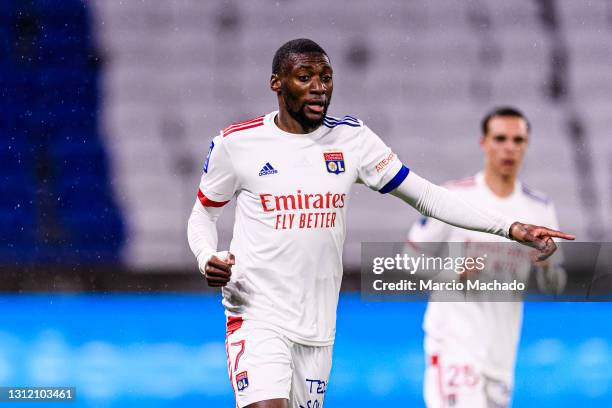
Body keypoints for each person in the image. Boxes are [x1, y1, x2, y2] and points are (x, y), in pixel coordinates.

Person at [187, 39, 574, 408]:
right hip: (255, 312)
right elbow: (203, 213)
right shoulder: (237, 145)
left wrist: (510, 228)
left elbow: (425, 194)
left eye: (326, 77)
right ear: (276, 83)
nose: (319, 87)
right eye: (305, 77)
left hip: (317, 326)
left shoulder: (352, 140)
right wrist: (207, 256)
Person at [406, 107, 566, 408]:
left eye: (517, 140)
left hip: (502, 348)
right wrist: (450, 272)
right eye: (500, 138)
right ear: (484, 143)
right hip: (454, 339)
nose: (509, 147)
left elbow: (556, 284)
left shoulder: (540, 208)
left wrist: (546, 268)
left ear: (526, 145)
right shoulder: (453, 198)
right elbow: (406, 261)